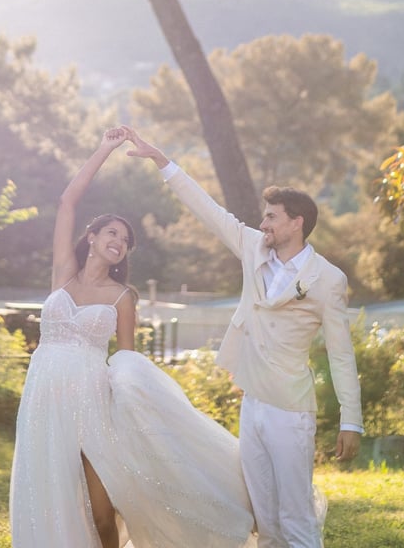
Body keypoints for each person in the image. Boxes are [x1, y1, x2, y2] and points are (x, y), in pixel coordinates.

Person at [9, 127, 256, 548]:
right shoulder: (63, 276)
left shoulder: (123, 298)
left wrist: (135, 413)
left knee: (103, 513)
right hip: (43, 397)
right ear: (91, 237)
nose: (119, 243)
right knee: (48, 491)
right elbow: (67, 201)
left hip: (92, 403)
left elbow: (128, 363)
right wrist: (104, 149)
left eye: (125, 241)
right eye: (112, 234)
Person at [124, 126, 363, 548]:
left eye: (272, 216)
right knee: (264, 521)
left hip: (291, 410)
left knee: (296, 518)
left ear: (296, 223)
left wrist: (351, 421)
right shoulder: (253, 248)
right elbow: (209, 210)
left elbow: (341, 355)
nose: (262, 223)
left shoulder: (328, 279)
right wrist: (162, 161)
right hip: (252, 404)